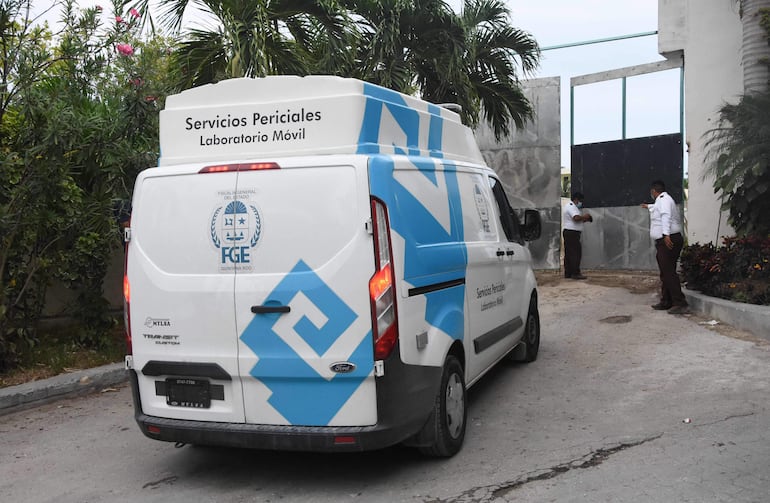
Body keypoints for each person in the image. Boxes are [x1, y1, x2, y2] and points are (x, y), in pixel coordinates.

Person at [642, 180, 689, 314]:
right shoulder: (662, 201)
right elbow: (657, 209)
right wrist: (648, 206)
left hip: (668, 239)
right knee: (666, 271)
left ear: (653, 191)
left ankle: (680, 303)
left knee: (668, 272)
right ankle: (666, 300)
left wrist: (666, 234)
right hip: (666, 239)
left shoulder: (664, 200)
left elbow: (665, 215)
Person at [562, 192, 593, 280]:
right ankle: (575, 273)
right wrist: (585, 216)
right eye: (580, 201)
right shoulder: (572, 206)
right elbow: (575, 218)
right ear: (576, 199)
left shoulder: (570, 206)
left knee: (569, 254)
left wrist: (585, 219)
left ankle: (568, 273)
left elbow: (577, 220)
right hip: (572, 233)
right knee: (575, 253)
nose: (581, 203)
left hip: (569, 232)